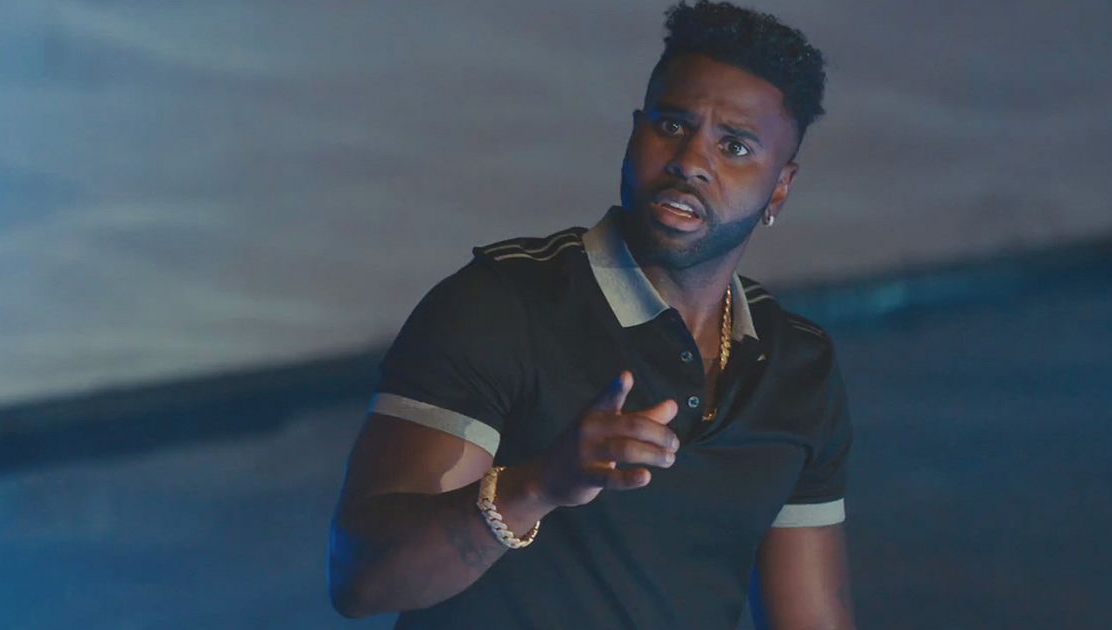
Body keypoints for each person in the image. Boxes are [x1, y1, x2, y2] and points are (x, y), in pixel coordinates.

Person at [328, 2, 855, 628]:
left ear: (780, 188)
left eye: (734, 146)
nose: (690, 160)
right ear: (635, 132)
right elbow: (361, 580)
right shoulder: (500, 304)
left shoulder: (796, 367)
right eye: (672, 125)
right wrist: (539, 486)